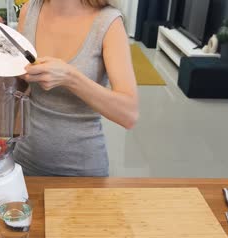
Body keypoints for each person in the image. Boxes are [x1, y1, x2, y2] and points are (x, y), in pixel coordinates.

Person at [13, 0, 138, 177]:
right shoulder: (29, 11)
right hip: (24, 161)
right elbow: (21, 85)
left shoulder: (108, 23)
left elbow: (128, 114)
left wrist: (70, 77)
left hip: (83, 172)